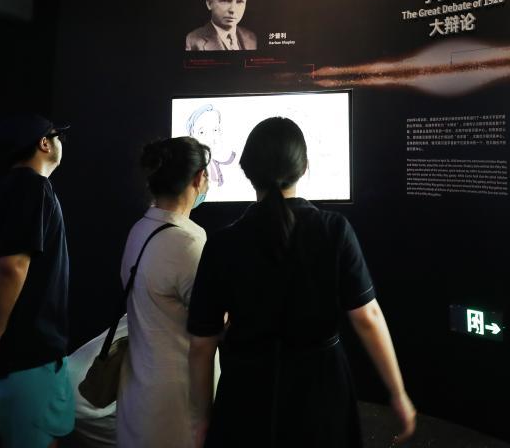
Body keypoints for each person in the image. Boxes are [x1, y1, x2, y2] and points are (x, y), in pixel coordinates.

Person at [188, 117, 416, 447]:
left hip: (246, 395)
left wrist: (201, 420)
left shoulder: (223, 244)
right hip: (322, 391)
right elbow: (368, 318)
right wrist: (398, 393)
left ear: (247, 169)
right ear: (305, 167)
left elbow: (201, 346)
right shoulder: (334, 230)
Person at [0, 114, 74, 447]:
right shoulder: (34, 187)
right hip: (24, 357)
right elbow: (13, 265)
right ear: (44, 143)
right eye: (57, 136)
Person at [117, 137, 210, 447]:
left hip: (138, 393)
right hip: (179, 403)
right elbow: (211, 325)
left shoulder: (139, 229)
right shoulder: (187, 243)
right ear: (199, 179)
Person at [185, 0, 259, 51]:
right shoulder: (192, 41)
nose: (232, 10)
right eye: (226, 1)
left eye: (239, 2)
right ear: (209, 4)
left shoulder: (252, 37)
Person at [185, 104, 237, 187]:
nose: (210, 138)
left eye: (215, 130)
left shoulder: (231, 160)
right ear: (192, 136)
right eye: (202, 132)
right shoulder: (189, 168)